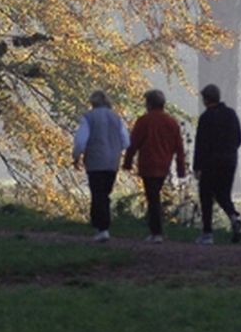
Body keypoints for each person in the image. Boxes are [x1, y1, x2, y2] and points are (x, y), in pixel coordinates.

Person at [122, 89, 186, 243]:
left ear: (149, 103)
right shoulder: (171, 122)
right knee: (154, 196)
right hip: (164, 165)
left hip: (148, 164)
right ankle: (157, 230)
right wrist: (180, 168)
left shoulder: (144, 121)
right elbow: (179, 147)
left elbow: (134, 143)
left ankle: (156, 232)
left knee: (153, 197)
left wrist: (128, 162)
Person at [72, 90, 129, 242]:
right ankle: (101, 225)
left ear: (92, 102)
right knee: (105, 193)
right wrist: (116, 150)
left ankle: (101, 227)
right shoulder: (116, 118)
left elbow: (80, 141)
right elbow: (126, 141)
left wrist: (76, 156)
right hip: (113, 161)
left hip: (95, 160)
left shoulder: (88, 118)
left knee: (98, 193)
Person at [194, 83, 241, 244]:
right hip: (229, 161)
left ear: (206, 99)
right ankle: (233, 216)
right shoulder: (231, 114)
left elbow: (200, 144)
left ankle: (207, 233)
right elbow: (239, 139)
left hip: (210, 162)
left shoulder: (206, 118)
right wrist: (229, 152)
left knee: (206, 195)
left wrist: (197, 166)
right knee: (223, 193)